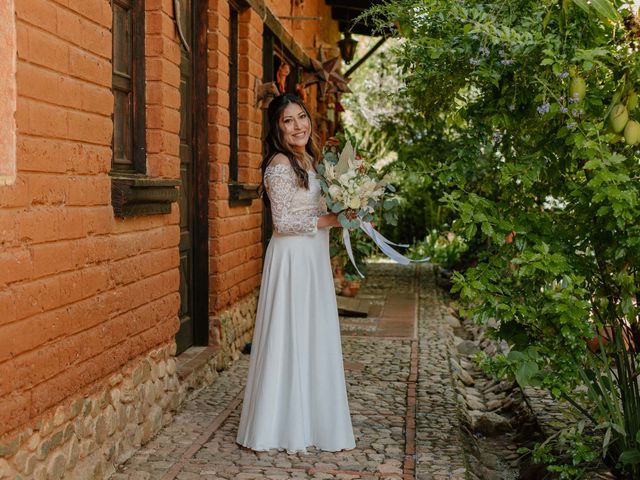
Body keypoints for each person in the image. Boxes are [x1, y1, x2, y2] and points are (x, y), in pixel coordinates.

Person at [236, 94, 356, 453]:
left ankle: (317, 420)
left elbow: (315, 207)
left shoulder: (309, 160)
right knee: (289, 332)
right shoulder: (278, 164)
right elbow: (284, 221)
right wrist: (331, 220)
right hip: (291, 259)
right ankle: (280, 424)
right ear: (277, 128)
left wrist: (352, 204)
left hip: (313, 257)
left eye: (301, 117)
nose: (298, 126)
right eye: (288, 121)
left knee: (313, 332)